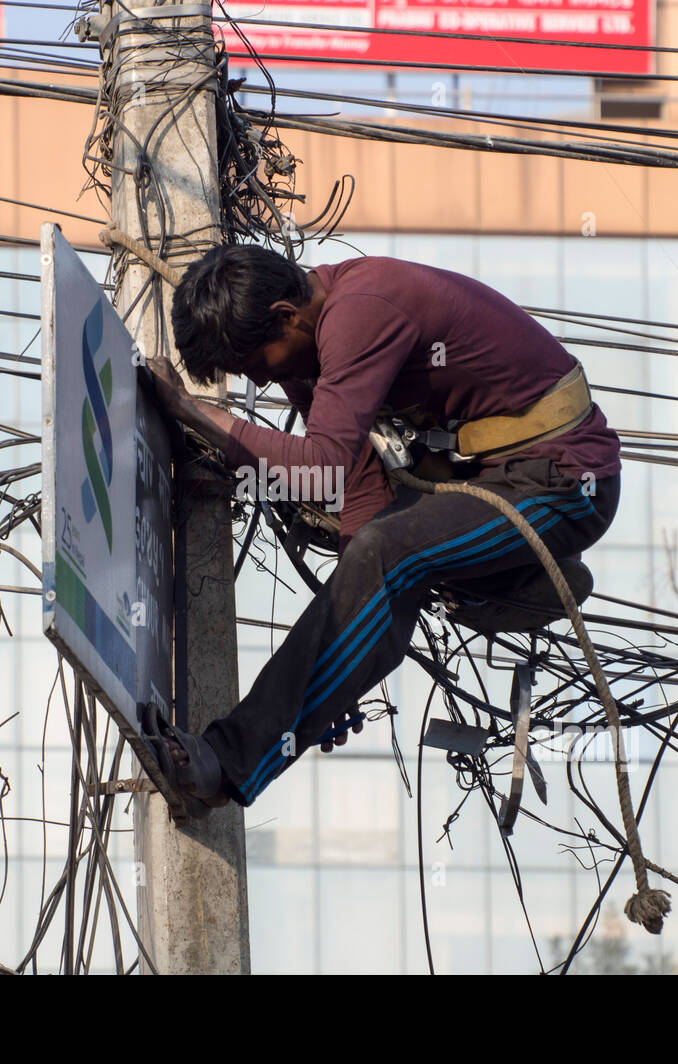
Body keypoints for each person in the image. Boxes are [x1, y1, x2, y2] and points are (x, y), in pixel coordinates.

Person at [143, 245, 621, 816]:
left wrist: (198, 413)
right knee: (377, 556)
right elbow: (356, 487)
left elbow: (317, 467)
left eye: (260, 366)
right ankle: (507, 580)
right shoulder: (308, 350)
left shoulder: (361, 310)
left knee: (390, 554)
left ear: (285, 315)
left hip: (565, 484)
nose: (265, 382)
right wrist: (340, 671)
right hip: (494, 484)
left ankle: (227, 762)